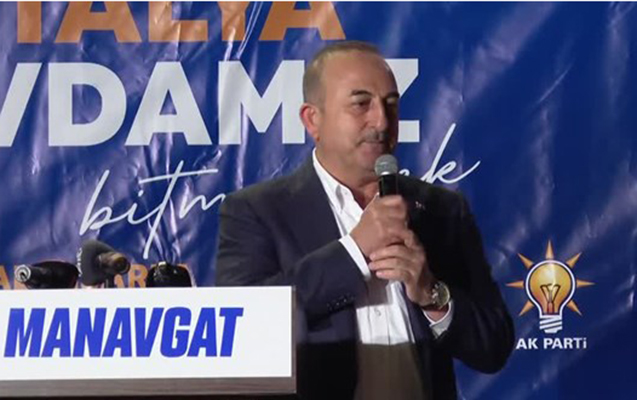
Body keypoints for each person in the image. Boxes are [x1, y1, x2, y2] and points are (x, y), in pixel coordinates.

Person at [215, 41, 514, 400]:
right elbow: (243, 331)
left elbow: (493, 346)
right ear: (313, 120)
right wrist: (355, 252)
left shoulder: (440, 210)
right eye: (361, 104)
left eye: (391, 104)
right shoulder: (256, 211)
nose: (382, 121)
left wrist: (433, 295)